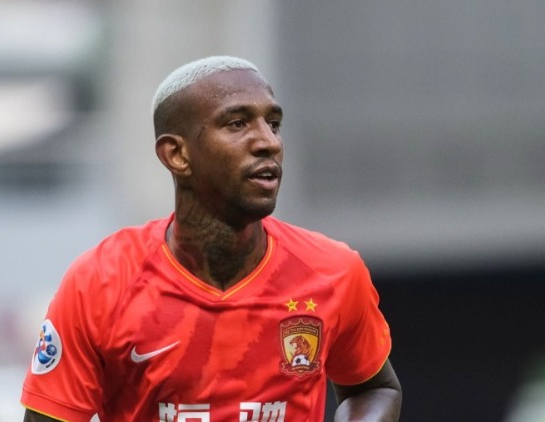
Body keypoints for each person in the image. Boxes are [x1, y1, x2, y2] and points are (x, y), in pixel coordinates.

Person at [21, 55, 402, 421]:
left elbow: (374, 387)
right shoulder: (100, 283)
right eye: (237, 124)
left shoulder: (332, 271)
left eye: (273, 123)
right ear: (176, 155)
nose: (268, 141)